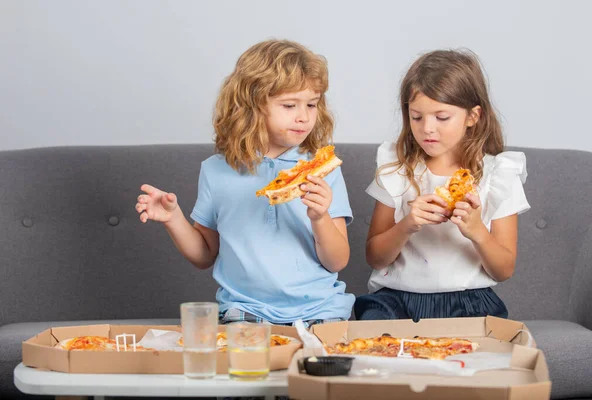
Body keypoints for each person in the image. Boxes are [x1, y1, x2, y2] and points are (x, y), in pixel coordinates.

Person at [135, 39, 354, 327]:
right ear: (251, 105)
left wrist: (320, 216)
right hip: (244, 310)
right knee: (244, 371)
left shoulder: (322, 169)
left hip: (321, 308)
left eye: (311, 104)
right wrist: (172, 218)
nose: (304, 116)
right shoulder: (216, 171)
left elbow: (337, 261)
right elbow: (204, 255)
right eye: (289, 105)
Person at [354, 49, 530, 322]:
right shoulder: (398, 170)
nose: (427, 128)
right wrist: (408, 224)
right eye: (417, 117)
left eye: (442, 117)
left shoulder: (498, 175)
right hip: (397, 299)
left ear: (473, 116)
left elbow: (503, 270)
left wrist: (477, 231)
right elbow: (375, 258)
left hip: (469, 301)